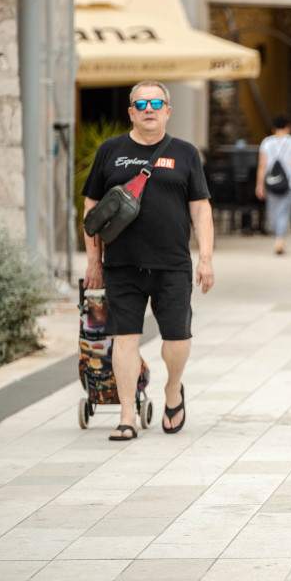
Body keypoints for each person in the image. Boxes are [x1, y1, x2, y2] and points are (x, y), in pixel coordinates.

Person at [82, 80, 215, 441]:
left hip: (173, 263)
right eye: (141, 104)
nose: (149, 109)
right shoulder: (110, 151)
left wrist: (205, 258)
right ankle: (127, 415)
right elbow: (91, 209)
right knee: (124, 338)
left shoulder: (186, 153)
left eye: (156, 102)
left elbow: (200, 208)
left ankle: (173, 389)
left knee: (177, 337)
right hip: (121, 264)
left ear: (168, 110)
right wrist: (94, 261)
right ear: (131, 112)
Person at [256, 115, 291, 255]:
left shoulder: (266, 142)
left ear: (273, 128)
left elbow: (262, 165)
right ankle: (279, 240)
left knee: (273, 213)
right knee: (284, 212)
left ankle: (278, 239)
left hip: (271, 182)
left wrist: (259, 185)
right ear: (288, 127)